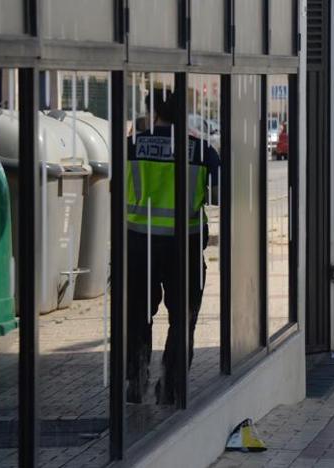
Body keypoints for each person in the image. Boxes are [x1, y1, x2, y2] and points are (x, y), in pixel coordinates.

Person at [126, 87, 220, 405]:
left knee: (138, 314)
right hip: (185, 246)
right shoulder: (201, 149)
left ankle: (136, 381)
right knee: (183, 318)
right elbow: (218, 195)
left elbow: (115, 188)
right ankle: (171, 385)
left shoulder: (131, 146)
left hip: (139, 243)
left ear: (153, 112)